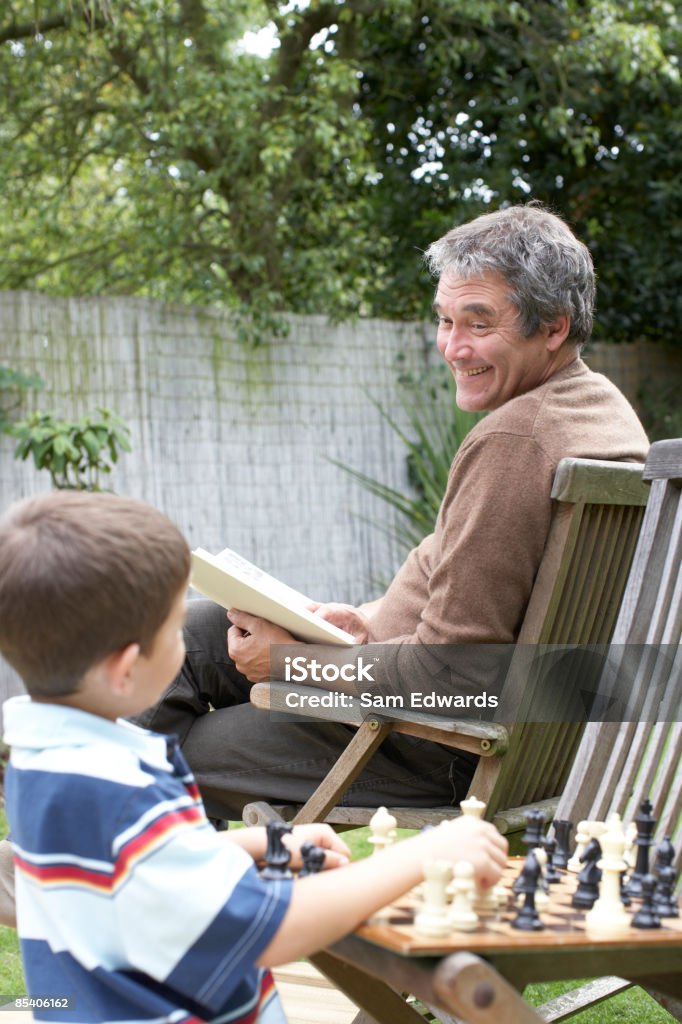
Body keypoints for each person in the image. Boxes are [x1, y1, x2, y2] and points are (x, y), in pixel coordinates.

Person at [134, 203, 649, 822]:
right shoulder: (603, 413)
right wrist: (365, 620)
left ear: (554, 326)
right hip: (508, 719)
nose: (454, 347)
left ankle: (93, 868)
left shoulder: (516, 441)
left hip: (433, 736)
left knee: (163, 752)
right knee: (199, 630)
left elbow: (454, 675)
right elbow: (460, 586)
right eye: (445, 320)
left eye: (478, 324)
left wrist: (294, 664)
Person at [0, 491, 507, 1018]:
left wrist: (253, 843)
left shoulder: (44, 760)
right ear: (126, 666)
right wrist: (421, 857)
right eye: (172, 629)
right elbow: (269, 930)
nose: (187, 642)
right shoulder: (126, 790)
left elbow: (136, 871)